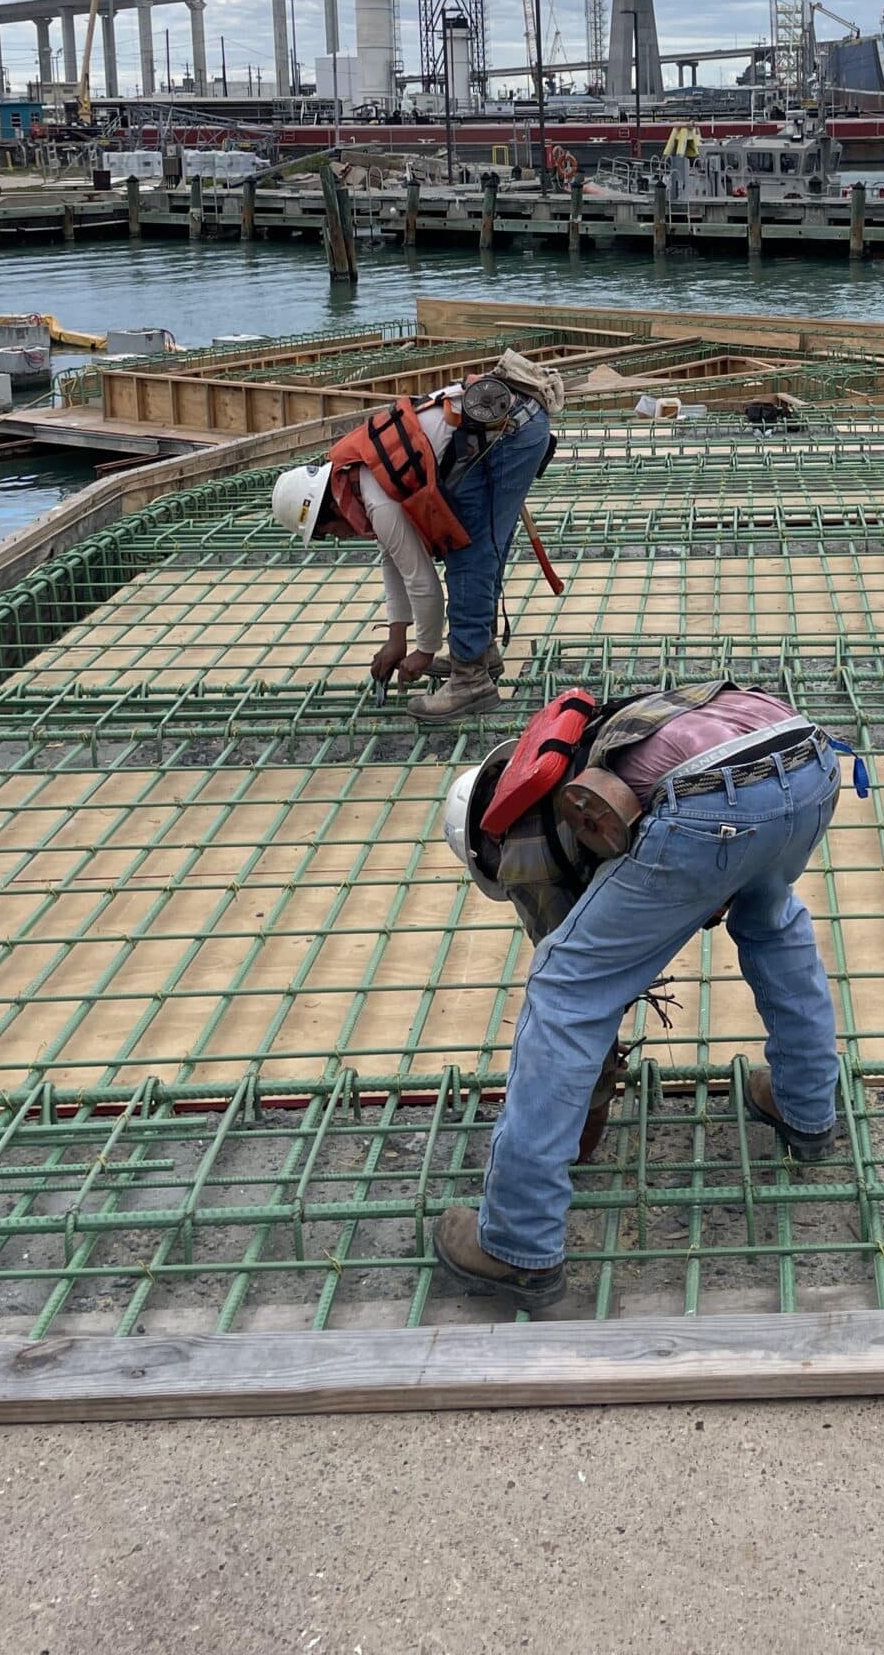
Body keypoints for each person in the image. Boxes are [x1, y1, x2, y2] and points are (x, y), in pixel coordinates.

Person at [432, 677, 847, 1309]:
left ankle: (516, 1243)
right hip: (804, 758)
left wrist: (587, 1113)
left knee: (564, 991)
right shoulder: (569, 751)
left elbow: (585, 996)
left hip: (715, 797)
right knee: (772, 921)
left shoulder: (522, 840)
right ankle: (805, 1108)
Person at [268, 349, 561, 718]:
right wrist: (397, 639)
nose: (338, 538)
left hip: (512, 432)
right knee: (476, 547)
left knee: (468, 552)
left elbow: (422, 583)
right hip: (510, 423)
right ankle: (478, 653)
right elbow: (395, 560)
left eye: (325, 532)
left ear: (329, 507)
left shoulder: (377, 499)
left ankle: (471, 679)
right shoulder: (364, 478)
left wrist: (423, 650)